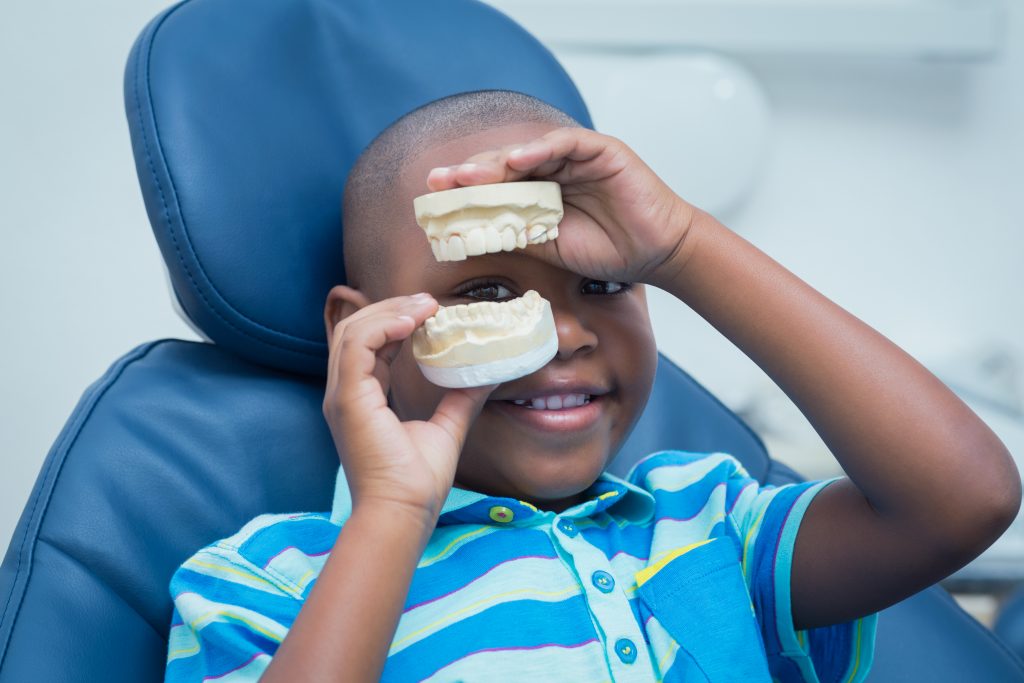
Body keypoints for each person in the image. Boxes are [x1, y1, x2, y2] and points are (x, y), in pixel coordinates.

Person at [163, 90, 1021, 682]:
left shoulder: (706, 525)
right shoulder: (268, 580)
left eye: (605, 287)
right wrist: (391, 511)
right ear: (367, 332)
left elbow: (966, 498)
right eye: (486, 293)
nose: (564, 332)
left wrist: (682, 243)